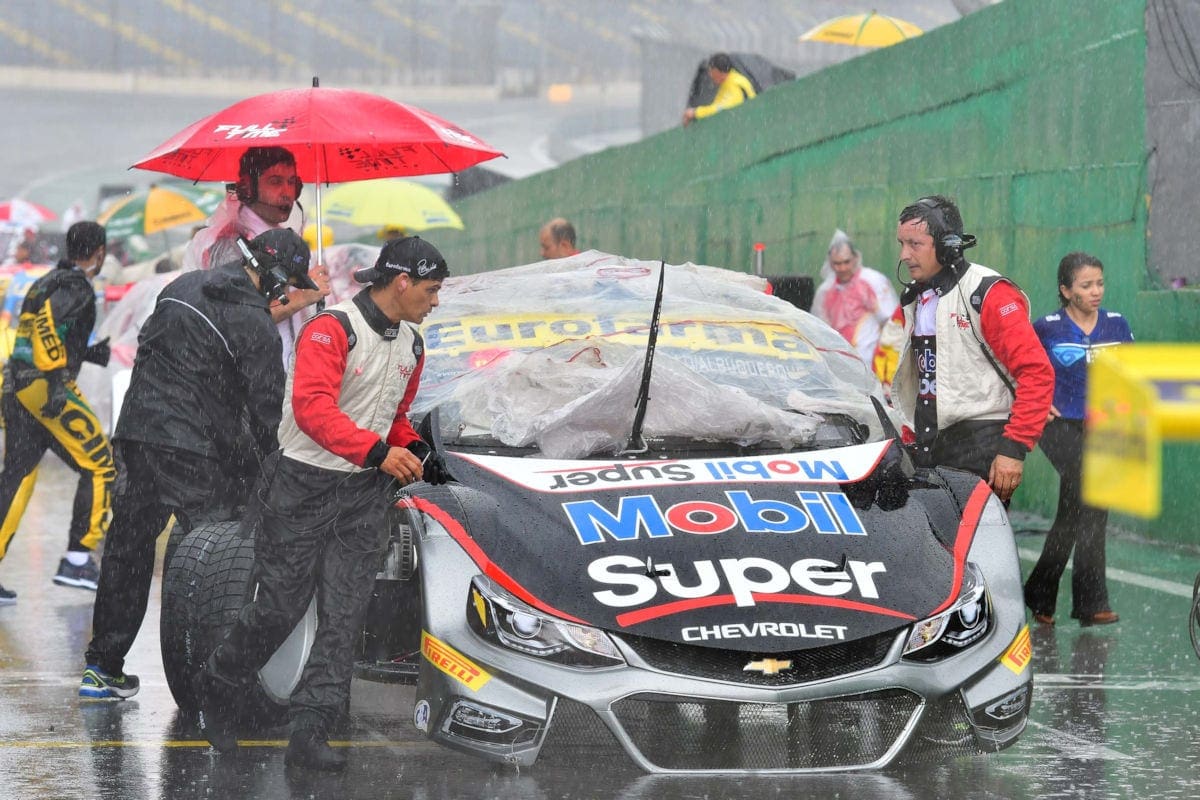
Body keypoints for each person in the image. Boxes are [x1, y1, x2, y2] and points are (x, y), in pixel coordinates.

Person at [196, 235, 451, 771]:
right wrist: (379, 451)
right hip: (302, 486)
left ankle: (310, 731)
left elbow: (394, 417)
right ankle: (219, 681)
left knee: (345, 616)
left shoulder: (413, 344)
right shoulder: (330, 328)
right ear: (401, 282)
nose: (436, 301)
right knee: (281, 607)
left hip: (363, 494)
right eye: (431, 289)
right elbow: (312, 409)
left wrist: (417, 450)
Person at [79, 229, 316, 700]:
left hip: (135, 434)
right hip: (194, 450)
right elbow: (268, 413)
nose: (288, 293)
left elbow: (149, 347)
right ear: (274, 280)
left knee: (128, 549)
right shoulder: (255, 325)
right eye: (289, 283)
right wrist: (275, 470)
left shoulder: (181, 288)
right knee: (212, 557)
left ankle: (102, 668)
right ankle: (211, 679)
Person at [891, 195, 1054, 503]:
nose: (904, 255)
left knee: (975, 550)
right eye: (901, 243)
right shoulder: (917, 297)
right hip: (930, 447)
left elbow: (1037, 373)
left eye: (915, 244)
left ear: (946, 245)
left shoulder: (988, 292)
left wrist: (1013, 450)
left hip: (980, 447)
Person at [0, 221, 114, 602]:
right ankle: (78, 560)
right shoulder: (76, 286)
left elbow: (35, 328)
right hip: (43, 387)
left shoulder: (49, 278)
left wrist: (89, 353)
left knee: (18, 473)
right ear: (99, 252)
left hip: (17, 384)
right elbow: (48, 326)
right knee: (101, 464)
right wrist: (53, 381)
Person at [1024, 252, 1132, 627]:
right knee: (1087, 487)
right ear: (1066, 290)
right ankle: (1083, 600)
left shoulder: (1117, 325)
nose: (1096, 291)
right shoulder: (1047, 327)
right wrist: (1040, 404)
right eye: (1086, 285)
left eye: (1099, 283)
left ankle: (1047, 593)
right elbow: (1024, 369)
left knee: (1081, 510)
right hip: (1057, 426)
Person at [183, 145, 331, 363]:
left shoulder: (288, 241)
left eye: (292, 183)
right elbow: (234, 320)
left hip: (285, 376)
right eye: (275, 182)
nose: (287, 193)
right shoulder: (229, 245)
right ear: (248, 188)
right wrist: (304, 297)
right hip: (246, 380)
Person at [811, 229, 900, 366]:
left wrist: (887, 359)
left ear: (856, 258)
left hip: (870, 363)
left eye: (846, 262)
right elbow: (819, 328)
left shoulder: (872, 281)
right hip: (838, 364)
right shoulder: (825, 291)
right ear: (829, 262)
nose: (842, 268)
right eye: (837, 263)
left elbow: (891, 322)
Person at [682, 53, 757, 126]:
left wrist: (695, 113)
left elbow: (721, 110)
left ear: (719, 72)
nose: (710, 75)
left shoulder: (734, 85)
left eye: (712, 71)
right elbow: (717, 105)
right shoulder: (730, 80)